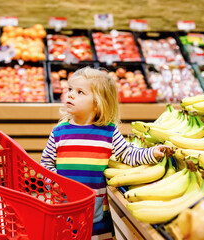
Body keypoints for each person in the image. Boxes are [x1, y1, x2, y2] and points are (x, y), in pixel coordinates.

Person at [40, 66, 172, 240]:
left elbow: (127, 154)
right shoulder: (59, 132)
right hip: (64, 206)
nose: (70, 94)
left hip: (96, 213)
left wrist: (152, 153)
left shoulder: (109, 132)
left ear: (98, 103)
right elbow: (46, 164)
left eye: (80, 92)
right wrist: (55, 183)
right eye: (70, 89)